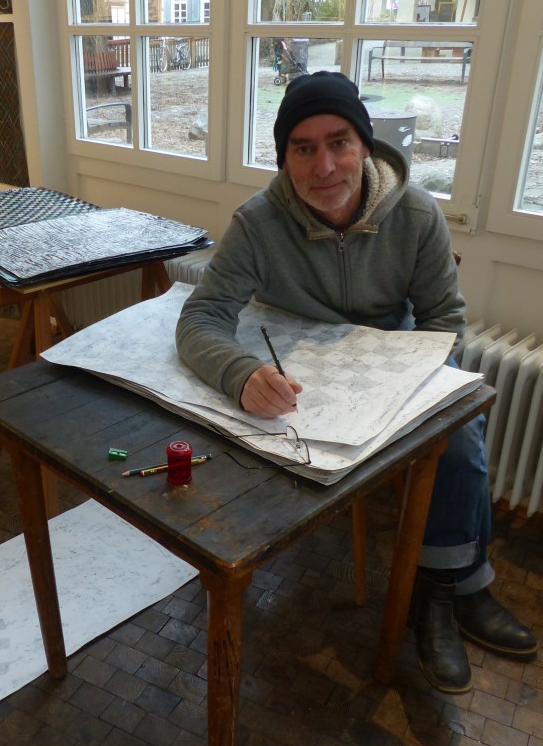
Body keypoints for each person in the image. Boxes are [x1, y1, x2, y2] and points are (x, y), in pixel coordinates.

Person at [176, 70, 537, 694]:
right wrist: (240, 373)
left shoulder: (417, 214)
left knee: (461, 434)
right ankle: (445, 585)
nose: (323, 167)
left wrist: (417, 379)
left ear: (365, 146)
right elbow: (200, 317)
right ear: (284, 157)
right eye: (303, 148)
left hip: (393, 364)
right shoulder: (258, 223)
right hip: (299, 374)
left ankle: (446, 590)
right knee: (245, 432)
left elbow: (444, 321)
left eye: (339, 142)